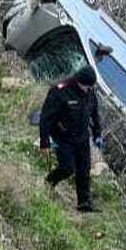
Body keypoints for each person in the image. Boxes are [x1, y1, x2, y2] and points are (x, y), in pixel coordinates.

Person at [39, 65, 102, 213]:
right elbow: (46, 118)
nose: (88, 89)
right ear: (79, 81)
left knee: (84, 169)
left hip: (82, 137)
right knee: (67, 168)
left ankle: (84, 203)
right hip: (63, 137)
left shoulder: (90, 93)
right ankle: (49, 182)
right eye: (87, 86)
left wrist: (97, 134)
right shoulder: (60, 91)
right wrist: (44, 142)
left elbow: (94, 115)